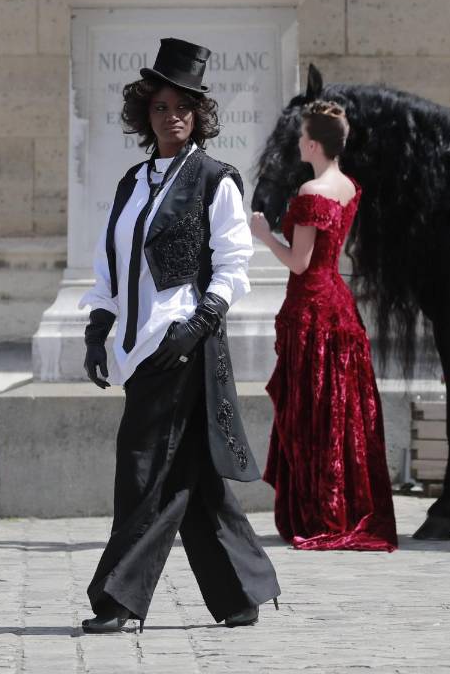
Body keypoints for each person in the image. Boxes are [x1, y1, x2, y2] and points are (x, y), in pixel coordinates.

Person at [77, 38, 280, 633]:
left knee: (143, 467)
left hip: (184, 346)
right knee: (191, 472)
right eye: (161, 106)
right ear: (146, 114)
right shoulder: (132, 182)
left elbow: (234, 265)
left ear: (198, 115)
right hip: (139, 349)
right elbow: (111, 264)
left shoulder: (215, 179)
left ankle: (117, 598)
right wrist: (97, 329)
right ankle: (242, 593)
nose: (172, 116)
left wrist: (195, 328)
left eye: (183, 106)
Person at [250, 100, 398, 552]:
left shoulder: (313, 192)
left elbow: (299, 263)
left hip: (312, 310)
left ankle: (319, 511)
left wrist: (264, 235)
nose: (297, 143)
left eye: (301, 137)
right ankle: (344, 506)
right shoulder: (349, 186)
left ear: (313, 144)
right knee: (341, 411)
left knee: (314, 413)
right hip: (339, 306)